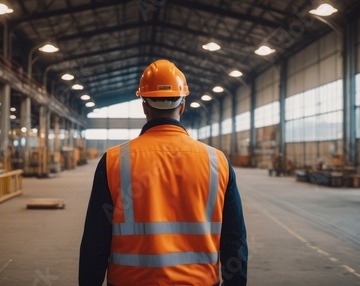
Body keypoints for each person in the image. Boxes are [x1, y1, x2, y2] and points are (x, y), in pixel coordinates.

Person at [79, 59, 248, 285]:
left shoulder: (114, 160)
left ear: (144, 106)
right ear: (182, 106)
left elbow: (95, 241)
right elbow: (234, 240)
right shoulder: (217, 161)